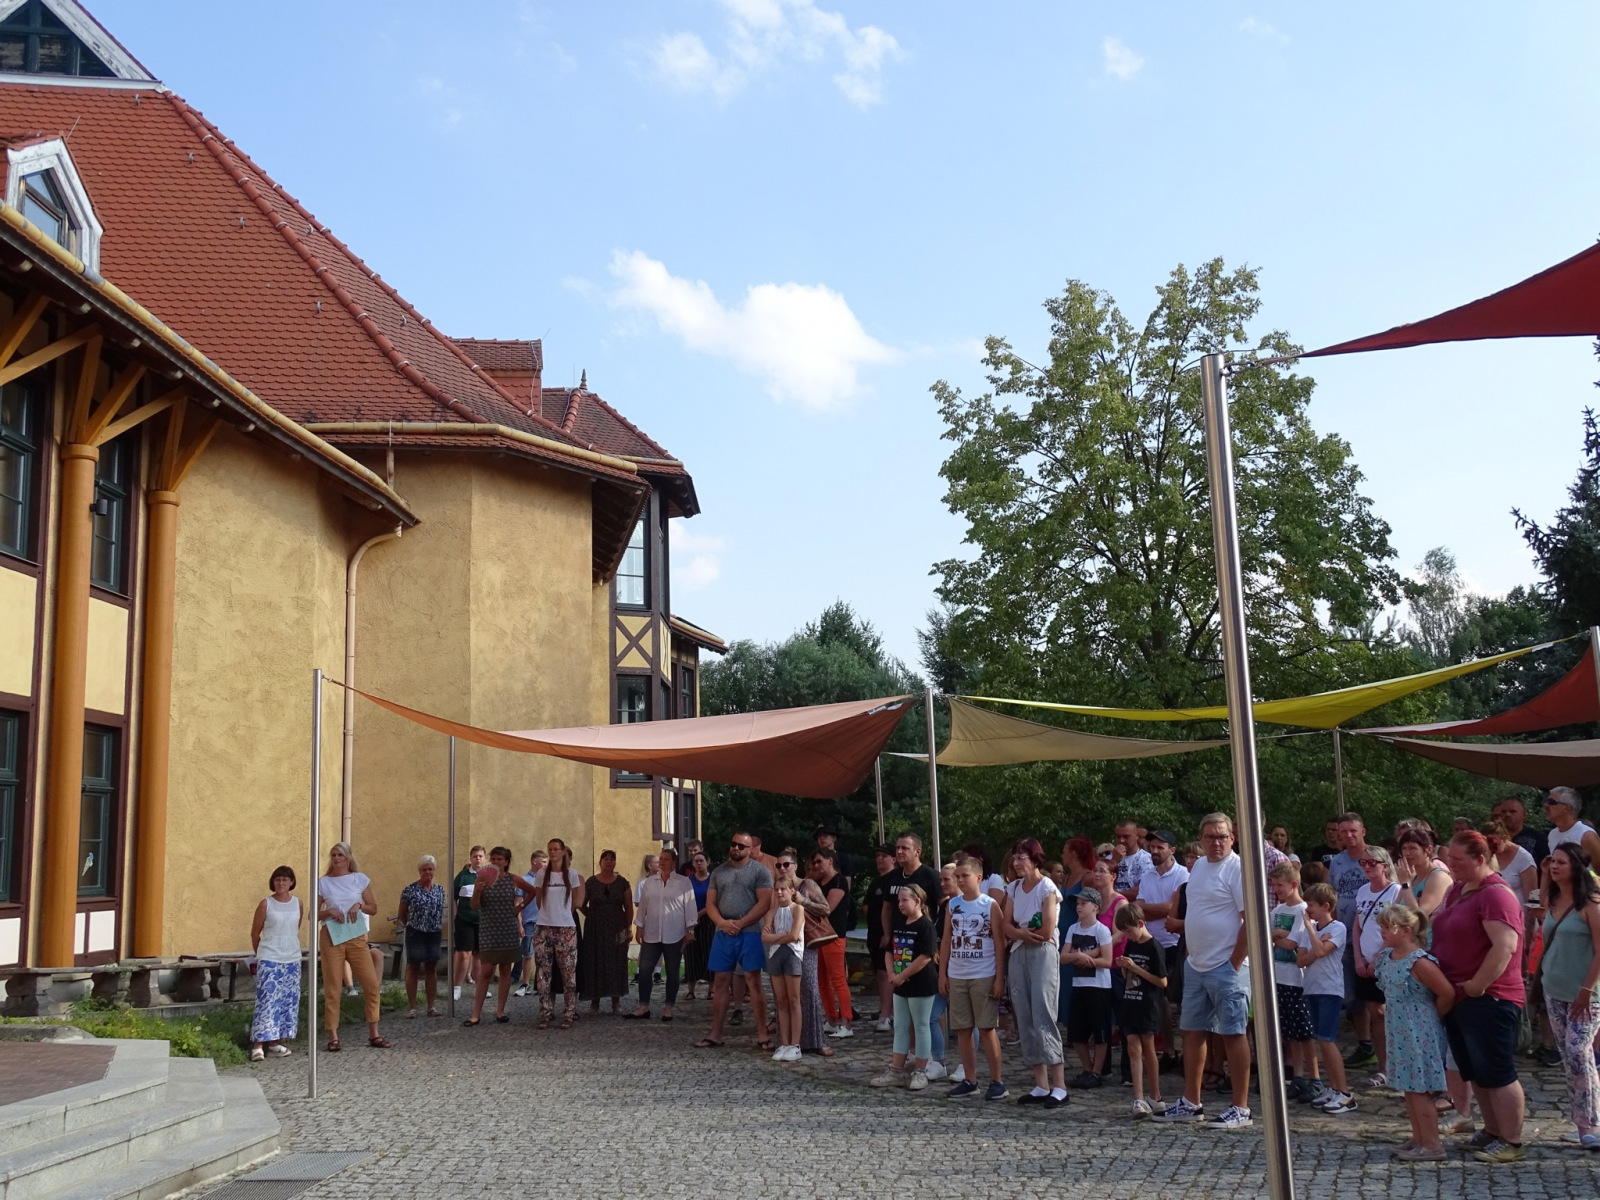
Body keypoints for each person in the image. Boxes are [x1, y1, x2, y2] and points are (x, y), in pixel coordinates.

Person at [1432, 830, 1527, 1164]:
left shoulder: (1496, 895)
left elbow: (1505, 946)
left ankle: (1512, 1140)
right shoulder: (1458, 889)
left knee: (1497, 1071)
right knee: (1476, 1070)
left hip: (1490, 997)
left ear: (1480, 859)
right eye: (1450, 859)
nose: (1452, 865)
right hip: (1460, 996)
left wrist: (1478, 984)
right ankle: (1492, 1130)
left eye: (1458, 860)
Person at [1160, 814, 1250, 1129]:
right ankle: (1191, 1101)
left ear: (1232, 838)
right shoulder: (1198, 866)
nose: (1216, 842)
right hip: (1196, 963)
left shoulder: (1238, 869)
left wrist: (1235, 962)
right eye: (1210, 836)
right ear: (1201, 838)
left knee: (1233, 1033)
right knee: (1192, 1031)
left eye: (1222, 836)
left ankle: (1241, 1107)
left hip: (1226, 965)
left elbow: (1250, 919)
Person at [1373, 904, 1454, 1162]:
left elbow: (1446, 993)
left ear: (1406, 931)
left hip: (1418, 1030)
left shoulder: (1419, 962)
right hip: (1399, 1029)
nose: (1383, 932)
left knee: (1420, 1088)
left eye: (1389, 927)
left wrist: (1428, 1017)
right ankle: (1419, 1138)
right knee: (1409, 1087)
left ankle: (1432, 1144)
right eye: (1382, 927)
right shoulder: (1387, 957)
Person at [1540, 843, 1600, 1150]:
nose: (1555, 866)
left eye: (1561, 862)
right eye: (1553, 861)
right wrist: (1543, 874)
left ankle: (1592, 1123)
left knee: (1579, 1052)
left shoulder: (1591, 903)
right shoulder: (1552, 899)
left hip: (1585, 994)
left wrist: (1586, 990)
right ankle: (1582, 1124)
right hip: (1554, 990)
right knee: (1571, 1058)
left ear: (1576, 866)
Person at [1002, 837, 1067, 1108]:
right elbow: (1005, 924)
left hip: (1042, 952)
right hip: (1019, 951)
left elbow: (1047, 929)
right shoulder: (1014, 888)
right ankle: (1041, 1084)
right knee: (1024, 1014)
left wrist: (1021, 933)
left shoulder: (1047, 887)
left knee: (1043, 1012)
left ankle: (1059, 1085)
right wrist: (1021, 934)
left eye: (1022, 857)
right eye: (1015, 857)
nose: (1016, 862)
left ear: (1034, 859)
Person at [696, 831, 773, 1050]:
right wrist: (722, 923)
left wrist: (741, 923)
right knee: (720, 981)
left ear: (750, 849)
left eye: (741, 846)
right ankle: (715, 1034)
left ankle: (762, 1034)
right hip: (724, 932)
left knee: (753, 980)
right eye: (733, 844)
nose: (736, 848)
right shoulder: (719, 872)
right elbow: (710, 903)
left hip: (750, 931)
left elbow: (764, 902)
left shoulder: (760, 871)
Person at [940, 854, 1007, 1101]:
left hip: (983, 973)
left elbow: (999, 943)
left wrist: (999, 977)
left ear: (978, 877)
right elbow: (946, 940)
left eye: (964, 876)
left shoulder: (989, 905)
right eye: (957, 876)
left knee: (987, 1027)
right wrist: (943, 973)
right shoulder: (952, 905)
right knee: (963, 1028)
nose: (960, 880)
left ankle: (997, 1081)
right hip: (958, 973)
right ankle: (970, 1079)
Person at [316, 842, 389, 1052]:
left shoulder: (359, 879)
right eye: (333, 855)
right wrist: (329, 912)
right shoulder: (324, 882)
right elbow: (314, 914)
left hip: (355, 936)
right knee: (333, 988)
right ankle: (333, 1036)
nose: (336, 858)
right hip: (332, 935)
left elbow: (373, 908)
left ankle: (374, 1033)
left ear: (348, 857)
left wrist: (359, 906)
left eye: (340, 855)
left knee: (371, 984)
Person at [870, 882, 938, 1090]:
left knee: (921, 1025)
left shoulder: (925, 926)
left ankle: (921, 1071)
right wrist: (892, 974)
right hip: (900, 984)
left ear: (917, 901)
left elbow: (925, 957)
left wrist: (902, 975)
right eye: (899, 900)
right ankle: (896, 1070)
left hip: (921, 984)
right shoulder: (899, 923)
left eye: (904, 900)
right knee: (900, 1026)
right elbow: (890, 950)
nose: (900, 904)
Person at [1131, 829, 1187, 1070]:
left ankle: (1187, 1051)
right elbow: (1139, 909)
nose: (1154, 851)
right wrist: (1159, 909)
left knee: (1180, 998)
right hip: (1153, 942)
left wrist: (1154, 909)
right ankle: (1170, 1051)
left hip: (1174, 942)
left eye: (1159, 847)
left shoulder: (1182, 874)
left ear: (1171, 850)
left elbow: (1171, 908)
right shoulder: (1148, 875)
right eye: (1152, 847)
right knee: (1159, 1000)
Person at [1298, 882, 1354, 1113]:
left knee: (1328, 1040)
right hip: (1312, 988)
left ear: (1326, 906)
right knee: (1321, 1041)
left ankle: (1345, 1093)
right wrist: (1317, 941)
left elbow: (1321, 952)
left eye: (1311, 905)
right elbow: (1301, 960)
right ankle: (1333, 1088)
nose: (1307, 910)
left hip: (1330, 990)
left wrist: (1313, 935)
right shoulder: (1310, 931)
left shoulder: (1338, 927)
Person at [466, 846, 538, 1026]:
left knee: (506, 969)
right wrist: (478, 891)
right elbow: (474, 906)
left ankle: (500, 1011)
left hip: (508, 928)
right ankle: (475, 1013)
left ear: (506, 862)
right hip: (489, 929)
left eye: (500, 859)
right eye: (493, 859)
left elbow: (533, 891)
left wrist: (520, 907)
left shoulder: (513, 879)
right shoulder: (482, 878)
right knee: (486, 970)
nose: (496, 862)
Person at [1327, 813, 1377, 1070]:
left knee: (1378, 1000)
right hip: (1345, 935)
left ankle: (1385, 1047)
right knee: (1352, 997)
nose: (1348, 836)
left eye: (1353, 831)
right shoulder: (1337, 862)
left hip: (1374, 938)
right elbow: (1332, 897)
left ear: (1363, 832)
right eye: (1343, 831)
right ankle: (1366, 1044)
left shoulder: (1376, 857)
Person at [1268, 860, 1318, 1101]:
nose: (1276, 889)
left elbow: (1293, 943)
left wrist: (1275, 936)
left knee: (1304, 1031)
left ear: (1294, 884)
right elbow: (1266, 936)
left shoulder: (1303, 910)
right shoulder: (1277, 911)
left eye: (1280, 885)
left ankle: (1315, 1077)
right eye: (1274, 885)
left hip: (1297, 980)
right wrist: (1278, 936)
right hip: (1279, 977)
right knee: (1289, 1032)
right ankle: (1297, 1076)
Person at [777, 850, 834, 1057]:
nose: (782, 868)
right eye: (778, 865)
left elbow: (826, 909)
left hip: (806, 942)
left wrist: (803, 901)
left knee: (809, 988)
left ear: (795, 866)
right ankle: (789, 1041)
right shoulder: (779, 888)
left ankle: (816, 1040)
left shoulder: (807, 884)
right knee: (786, 994)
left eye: (786, 864)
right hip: (784, 943)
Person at [1352, 846, 1401, 1085]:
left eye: (1372, 863)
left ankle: (1400, 1064)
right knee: (1375, 1015)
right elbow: (1357, 926)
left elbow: (1395, 928)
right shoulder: (1362, 891)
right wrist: (1358, 958)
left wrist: (1377, 959)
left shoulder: (1395, 891)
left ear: (1385, 865)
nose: (1368, 867)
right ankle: (1383, 1067)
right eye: (1363, 863)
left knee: (1391, 1013)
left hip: (1388, 959)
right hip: (1365, 959)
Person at [628, 847, 696, 1021]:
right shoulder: (650, 882)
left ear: (673, 862)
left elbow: (690, 906)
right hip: (652, 932)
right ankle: (643, 1006)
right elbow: (643, 906)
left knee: (672, 971)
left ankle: (668, 1007)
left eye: (666, 859)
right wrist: (639, 926)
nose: (662, 862)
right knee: (644, 969)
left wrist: (690, 929)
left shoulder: (683, 882)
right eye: (661, 858)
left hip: (675, 932)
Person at [1114, 903, 1168, 1118]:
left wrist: (1135, 968)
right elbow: (1128, 975)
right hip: (1131, 1002)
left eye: (1129, 931)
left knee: (1148, 1048)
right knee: (1133, 1048)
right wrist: (1124, 966)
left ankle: (1155, 1095)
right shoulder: (1131, 944)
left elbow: (1162, 981)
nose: (1127, 936)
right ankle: (1138, 1098)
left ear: (1140, 923)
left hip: (1148, 1004)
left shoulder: (1154, 947)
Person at [1062, 886, 1114, 1088]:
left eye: (1083, 903)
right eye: (1078, 903)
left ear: (1095, 907)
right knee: (1076, 1032)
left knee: (1100, 1031)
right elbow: (1063, 957)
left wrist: (1083, 958)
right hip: (1079, 984)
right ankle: (1086, 1068)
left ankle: (1097, 1072)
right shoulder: (1073, 929)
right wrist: (1081, 956)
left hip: (1098, 986)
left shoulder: (1101, 930)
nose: (1079, 907)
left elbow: (1107, 961)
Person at [249, 865, 302, 1060]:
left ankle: (274, 1041)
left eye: (285, 880)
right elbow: (255, 933)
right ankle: (258, 1044)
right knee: (267, 1000)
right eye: (278, 879)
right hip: (270, 957)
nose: (281, 883)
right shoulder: (266, 904)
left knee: (286, 1001)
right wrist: (262, 953)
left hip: (292, 958)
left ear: (291, 882)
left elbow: (295, 928)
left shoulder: (298, 903)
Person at [530, 839, 584, 1030]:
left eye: (556, 849)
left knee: (568, 973)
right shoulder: (541, 874)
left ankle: (569, 1012)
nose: (553, 852)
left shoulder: (572, 874)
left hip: (566, 928)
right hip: (543, 927)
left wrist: (563, 915)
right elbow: (539, 901)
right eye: (550, 849)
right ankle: (545, 1012)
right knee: (543, 974)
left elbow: (576, 900)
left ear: (563, 852)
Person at [579, 850, 633, 1015]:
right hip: (595, 929)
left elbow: (628, 907)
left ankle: (616, 1001)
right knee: (595, 961)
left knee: (617, 961)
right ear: (600, 862)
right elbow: (581, 903)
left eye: (612, 859)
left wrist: (628, 927)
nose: (609, 862)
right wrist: (592, 915)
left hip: (617, 927)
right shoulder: (591, 882)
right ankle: (594, 1002)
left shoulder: (622, 883)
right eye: (606, 859)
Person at [811, 848, 855, 1038]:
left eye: (819, 861)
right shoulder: (818, 882)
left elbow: (826, 909)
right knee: (822, 980)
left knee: (838, 980)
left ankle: (847, 1022)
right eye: (814, 862)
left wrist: (806, 904)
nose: (816, 865)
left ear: (830, 861)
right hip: (819, 936)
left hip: (834, 936)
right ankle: (831, 1019)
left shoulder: (839, 881)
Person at [761, 877, 806, 1062]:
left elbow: (795, 935)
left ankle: (795, 1044)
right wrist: (784, 936)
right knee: (781, 1001)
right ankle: (785, 1043)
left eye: (783, 889)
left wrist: (778, 936)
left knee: (793, 1000)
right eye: (777, 889)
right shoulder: (772, 912)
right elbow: (764, 937)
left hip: (792, 955)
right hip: (776, 955)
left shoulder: (798, 909)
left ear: (792, 891)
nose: (779, 892)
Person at [398, 855, 445, 1018]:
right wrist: (411, 925)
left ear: (434, 870)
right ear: (419, 871)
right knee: (413, 967)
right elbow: (402, 913)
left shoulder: (440, 890)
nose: (427, 872)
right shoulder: (410, 889)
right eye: (424, 869)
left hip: (434, 932)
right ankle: (412, 1007)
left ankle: (431, 1006)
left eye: (430, 869)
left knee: (431, 968)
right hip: (416, 932)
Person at [865, 846, 897, 1033]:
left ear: (893, 859)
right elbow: (866, 906)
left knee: (887, 974)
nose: (879, 859)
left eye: (884, 856)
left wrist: (888, 933)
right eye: (877, 856)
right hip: (874, 934)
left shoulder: (894, 880)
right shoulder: (875, 882)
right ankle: (887, 1011)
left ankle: (886, 1015)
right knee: (880, 974)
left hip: (888, 935)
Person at [451, 845, 486, 1002]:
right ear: (471, 858)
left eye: (480, 856)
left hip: (483, 921)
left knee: (479, 955)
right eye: (475, 856)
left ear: (484, 858)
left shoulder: (489, 876)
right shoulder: (463, 876)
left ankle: (479, 988)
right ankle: (456, 987)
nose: (477, 859)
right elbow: (453, 897)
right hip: (465, 919)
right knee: (464, 954)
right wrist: (455, 915)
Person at [513, 849, 547, 998]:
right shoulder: (524, 880)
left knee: (543, 955)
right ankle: (525, 984)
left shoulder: (548, 879)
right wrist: (519, 924)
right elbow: (517, 903)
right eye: (543, 862)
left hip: (545, 922)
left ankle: (541, 984)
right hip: (529, 922)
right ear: (534, 862)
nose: (546, 865)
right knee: (527, 954)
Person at [1395, 828, 1451, 917]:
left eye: (1412, 848)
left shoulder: (1439, 877)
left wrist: (1405, 884)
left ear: (1429, 849)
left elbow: (1419, 916)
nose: (1407, 853)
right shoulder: (1411, 878)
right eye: (1404, 848)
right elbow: (1394, 910)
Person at [682, 850, 713, 1001]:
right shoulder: (688, 881)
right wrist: (691, 917)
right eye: (696, 861)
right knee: (690, 954)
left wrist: (700, 914)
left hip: (708, 920)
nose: (699, 864)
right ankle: (691, 990)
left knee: (709, 953)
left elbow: (714, 901)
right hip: (690, 922)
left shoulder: (713, 880)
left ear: (708, 862)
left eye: (701, 861)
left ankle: (711, 989)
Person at [1483, 819, 1537, 905]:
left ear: (1504, 839)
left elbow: (1533, 897)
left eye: (1495, 844)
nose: (1491, 848)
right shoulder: (1485, 856)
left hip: (1518, 909)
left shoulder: (1525, 859)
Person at [1491, 795, 1547, 869]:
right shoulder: (1492, 837)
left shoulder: (1537, 838)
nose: (1507, 814)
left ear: (1524, 815)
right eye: (1503, 812)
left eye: (1512, 811)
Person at [1112, 819, 1152, 899]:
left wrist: (1113, 896)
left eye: (1126, 836)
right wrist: (1114, 861)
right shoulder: (1110, 858)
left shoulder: (1147, 859)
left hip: (1133, 905)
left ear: (1137, 836)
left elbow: (1142, 889)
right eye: (1118, 837)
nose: (1121, 841)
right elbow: (1100, 883)